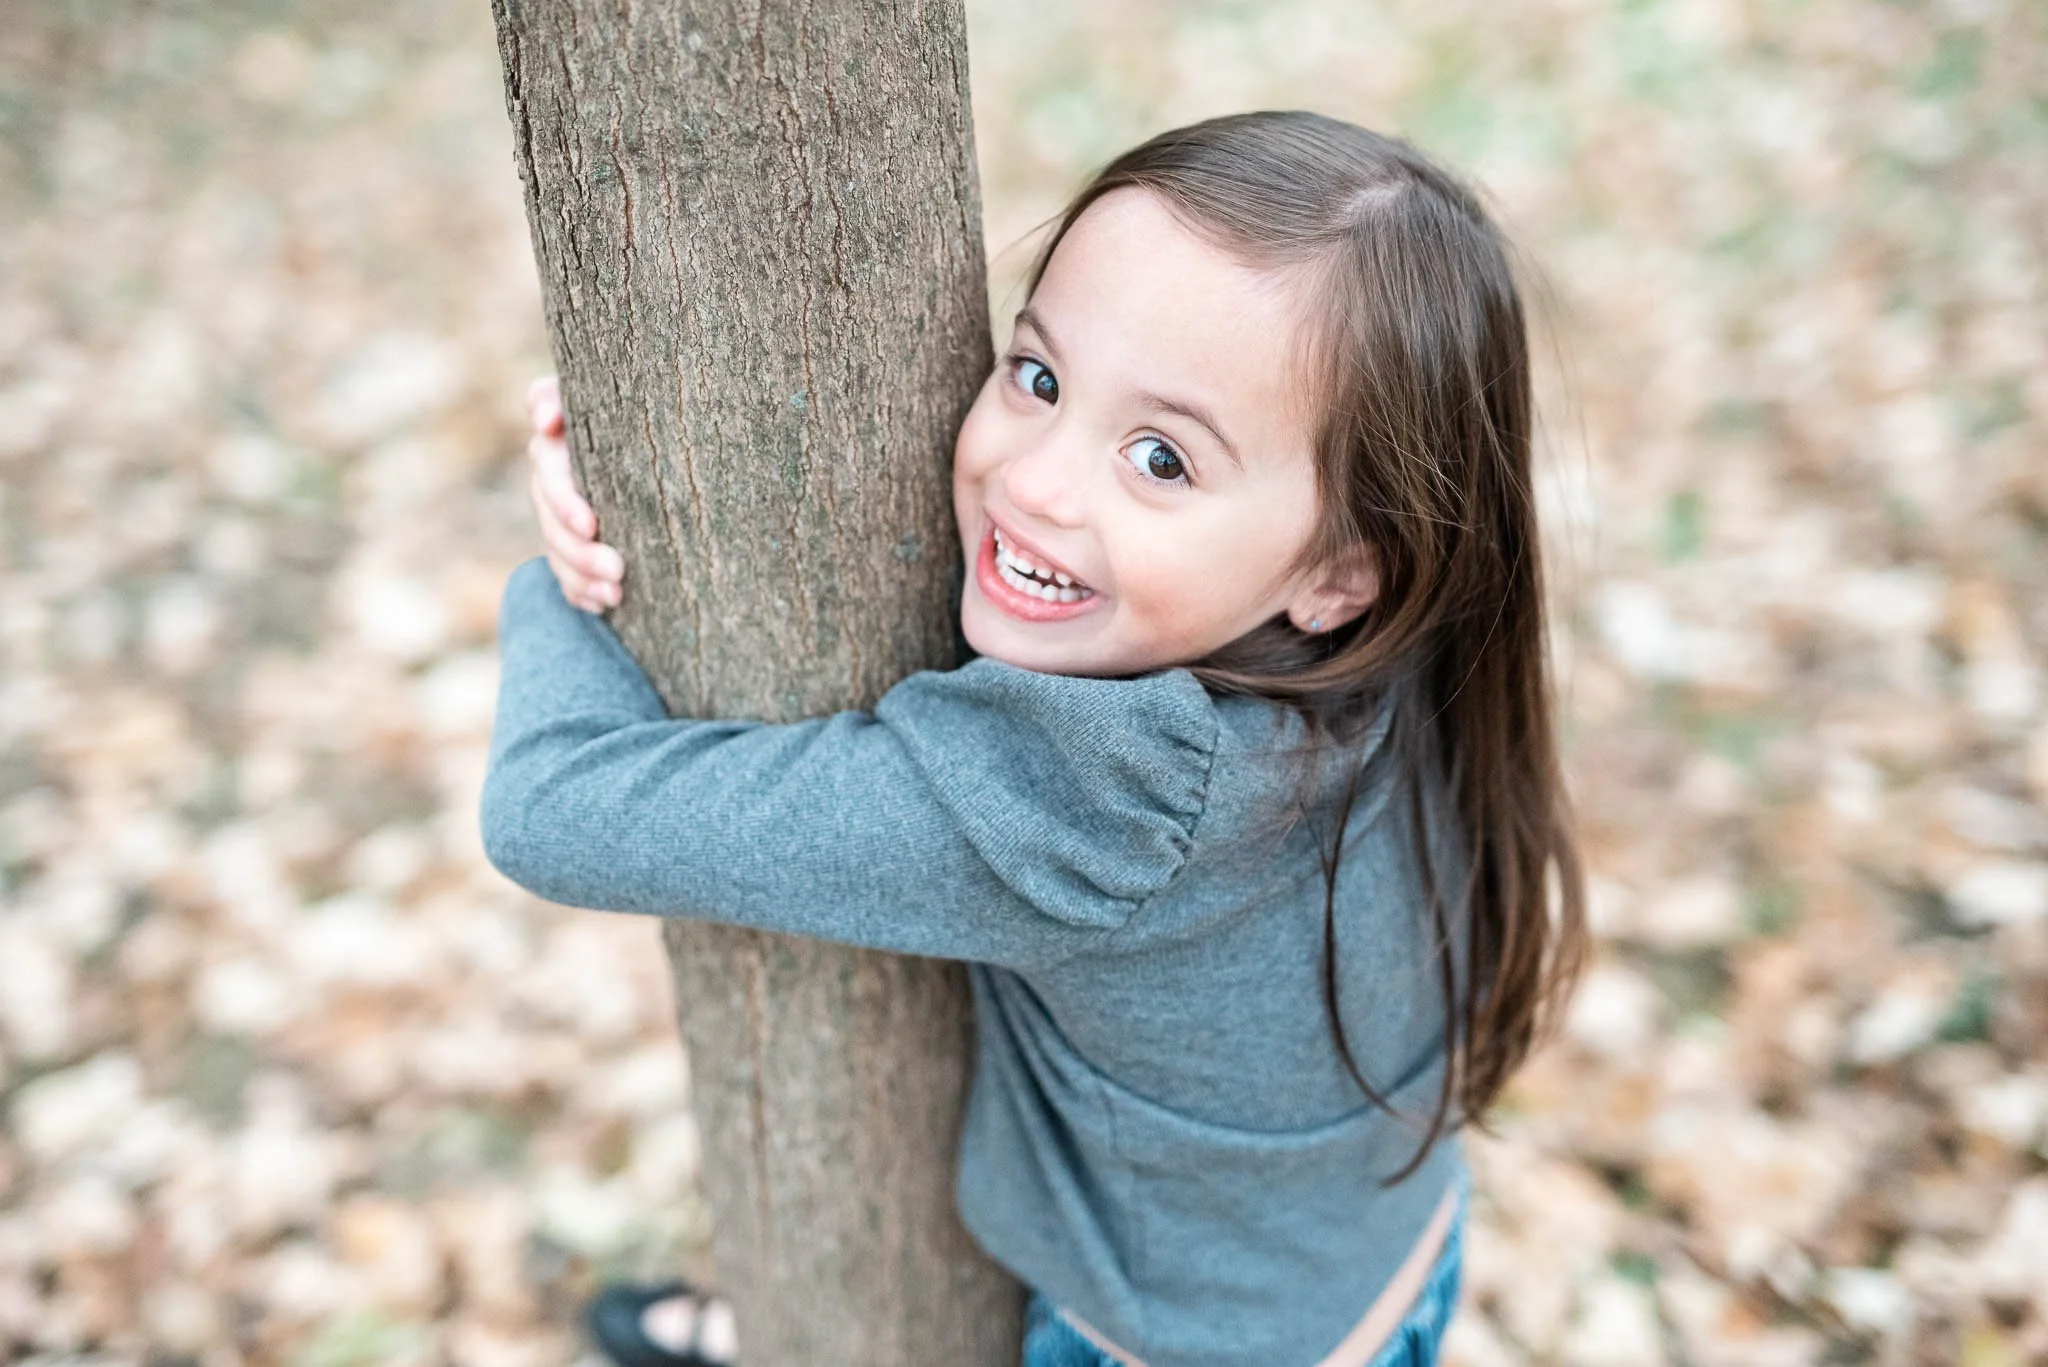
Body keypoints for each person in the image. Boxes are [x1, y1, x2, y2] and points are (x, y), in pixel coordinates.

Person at [484, 110, 1587, 1367]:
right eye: (1040, 377)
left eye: (1160, 458)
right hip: (1386, 1257)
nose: (1037, 482)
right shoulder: (1390, 652)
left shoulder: (1102, 799)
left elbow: (548, 804)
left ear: (1341, 572)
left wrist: (558, 576)